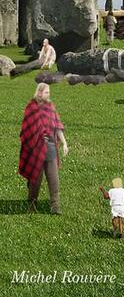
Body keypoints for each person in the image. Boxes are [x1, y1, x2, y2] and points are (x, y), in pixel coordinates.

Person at [18, 83, 69, 214]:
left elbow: (57, 127)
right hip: (36, 150)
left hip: (51, 149)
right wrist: (36, 140)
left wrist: (64, 143)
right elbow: (26, 131)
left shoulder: (51, 108)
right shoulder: (31, 108)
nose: (49, 94)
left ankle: (55, 206)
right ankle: (32, 204)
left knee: (54, 179)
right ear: (39, 93)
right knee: (35, 179)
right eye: (46, 92)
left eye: (49, 92)